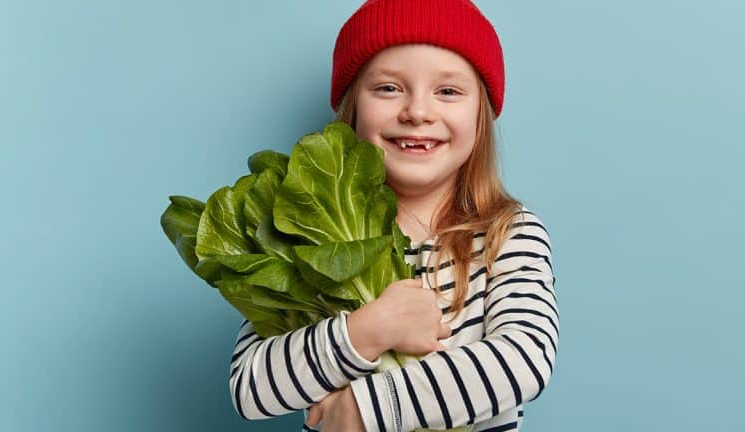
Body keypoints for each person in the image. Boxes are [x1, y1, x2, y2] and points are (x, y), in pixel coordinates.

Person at [228, 1, 559, 431]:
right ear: (353, 109)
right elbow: (249, 387)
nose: (418, 112)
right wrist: (367, 331)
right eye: (388, 88)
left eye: (448, 91)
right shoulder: (308, 238)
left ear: (481, 115)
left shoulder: (507, 233)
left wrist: (369, 409)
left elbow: (524, 358)